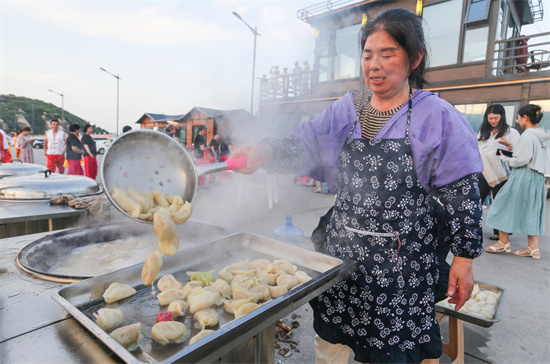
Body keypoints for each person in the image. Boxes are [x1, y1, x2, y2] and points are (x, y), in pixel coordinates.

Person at [230, 8, 483, 363]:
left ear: (415, 58)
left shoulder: (434, 115)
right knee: (331, 343)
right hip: (343, 256)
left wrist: (464, 257)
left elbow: (462, 191)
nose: (374, 65)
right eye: (367, 55)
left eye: (388, 53)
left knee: (394, 349)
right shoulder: (348, 109)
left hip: (401, 267)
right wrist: (265, 150)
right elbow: (306, 143)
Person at [485, 104, 550, 259]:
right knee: (532, 210)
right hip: (537, 177)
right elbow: (531, 153)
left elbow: (522, 159)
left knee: (501, 204)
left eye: (519, 117)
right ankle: (533, 248)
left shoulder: (527, 135)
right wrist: (510, 146)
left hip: (523, 175)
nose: (518, 120)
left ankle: (503, 242)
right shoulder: (541, 134)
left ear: (525, 118)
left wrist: (504, 158)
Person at [477, 104, 520, 241]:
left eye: (495, 118)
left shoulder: (511, 132)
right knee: (477, 200)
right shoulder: (483, 131)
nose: (493, 121)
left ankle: (499, 232)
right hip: (484, 171)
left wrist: (508, 146)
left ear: (502, 116)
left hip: (502, 172)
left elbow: (518, 152)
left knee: (499, 202)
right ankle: (474, 228)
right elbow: (478, 149)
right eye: (490, 118)